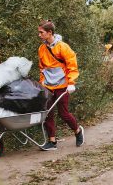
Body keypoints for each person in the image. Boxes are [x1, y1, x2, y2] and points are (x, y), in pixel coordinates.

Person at [37, 19, 84, 151]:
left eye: (41, 32)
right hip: (48, 85)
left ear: (50, 32)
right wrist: (42, 83)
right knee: (47, 113)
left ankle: (78, 131)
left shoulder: (62, 47)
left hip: (62, 85)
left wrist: (71, 82)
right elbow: (42, 68)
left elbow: (72, 65)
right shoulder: (41, 48)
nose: (39, 35)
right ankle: (52, 142)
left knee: (64, 113)